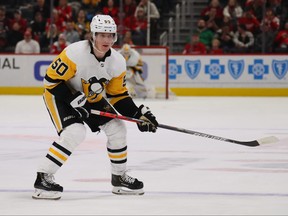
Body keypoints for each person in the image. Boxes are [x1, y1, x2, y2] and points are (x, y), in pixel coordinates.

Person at [32, 14, 158, 200]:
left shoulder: (117, 61)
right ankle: (43, 177)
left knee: (117, 128)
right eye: (102, 35)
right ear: (93, 35)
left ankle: (119, 177)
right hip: (60, 95)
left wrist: (137, 114)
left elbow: (118, 95)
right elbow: (50, 81)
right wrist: (73, 99)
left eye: (110, 35)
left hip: (89, 97)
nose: (106, 40)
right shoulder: (74, 53)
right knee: (75, 132)